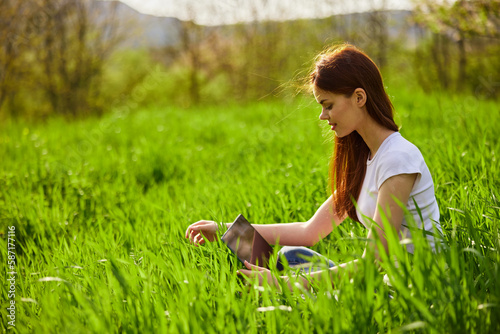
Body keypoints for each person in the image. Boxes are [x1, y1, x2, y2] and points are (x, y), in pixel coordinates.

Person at [185, 44, 442, 289]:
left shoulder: (397, 159)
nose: (322, 116)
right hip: (380, 281)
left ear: (359, 97)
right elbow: (309, 232)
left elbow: (373, 263)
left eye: (328, 105)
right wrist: (224, 229)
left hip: (406, 293)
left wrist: (281, 285)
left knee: (282, 282)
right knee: (289, 255)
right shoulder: (366, 159)